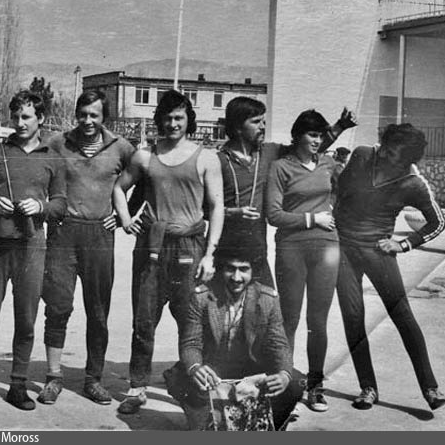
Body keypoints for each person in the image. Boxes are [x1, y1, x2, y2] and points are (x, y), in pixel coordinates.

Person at [112, 89, 224, 414]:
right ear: (159, 120)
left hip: (190, 246)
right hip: (152, 245)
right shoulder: (144, 156)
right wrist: (125, 220)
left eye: (179, 118)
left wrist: (210, 254)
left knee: (192, 322)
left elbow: (217, 207)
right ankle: (137, 387)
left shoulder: (206, 158)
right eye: (167, 118)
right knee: (144, 320)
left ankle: (191, 385)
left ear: (189, 120)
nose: (173, 124)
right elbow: (119, 188)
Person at [0, 90, 66, 412]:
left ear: (41, 119)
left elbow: (61, 204)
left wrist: (41, 206)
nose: (20, 123)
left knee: (26, 320)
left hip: (32, 247)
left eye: (27, 117)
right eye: (16, 117)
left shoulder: (52, 157)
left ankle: (18, 386)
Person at [334, 123, 445, 411]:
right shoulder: (362, 155)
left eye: (393, 155)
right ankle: (368, 388)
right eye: (385, 147)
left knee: (402, 316)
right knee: (353, 316)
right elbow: (338, 191)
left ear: (407, 160)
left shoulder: (414, 183)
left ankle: (430, 388)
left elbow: (438, 223)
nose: (383, 155)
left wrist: (403, 244)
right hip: (344, 249)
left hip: (378, 253)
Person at [37, 90, 135, 406]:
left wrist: (123, 215)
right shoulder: (57, 143)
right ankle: (53, 377)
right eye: (82, 114)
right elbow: (36, 175)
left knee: (98, 311)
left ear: (105, 117)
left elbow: (147, 179)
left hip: (100, 236)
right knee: (58, 306)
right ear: (75, 114)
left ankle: (93, 379)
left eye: (94, 115)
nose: (88, 121)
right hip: (63, 234)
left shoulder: (121, 147)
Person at [217, 97, 356, 287]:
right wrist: (232, 212)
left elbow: (305, 147)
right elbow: (201, 208)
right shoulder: (218, 160)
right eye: (256, 122)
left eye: (263, 121)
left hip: (257, 244)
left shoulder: (268, 152)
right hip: (225, 244)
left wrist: (340, 126)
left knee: (265, 300)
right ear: (238, 126)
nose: (263, 126)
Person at [163, 244, 301, 430]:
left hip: (252, 369)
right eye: (230, 269)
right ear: (221, 269)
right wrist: (196, 367)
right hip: (214, 372)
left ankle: (269, 424)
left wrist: (284, 374)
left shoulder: (268, 299)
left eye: (243, 269)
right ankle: (205, 419)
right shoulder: (202, 297)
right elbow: (190, 343)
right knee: (179, 378)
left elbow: (280, 345)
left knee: (294, 382)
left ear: (253, 272)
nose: (236, 277)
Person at [265, 110, 341, 413]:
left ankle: (315, 387)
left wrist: (333, 212)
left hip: (327, 247)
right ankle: (286, 389)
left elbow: (344, 192)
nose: (317, 140)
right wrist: (313, 218)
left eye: (321, 135)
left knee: (318, 321)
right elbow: (274, 215)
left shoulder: (328, 164)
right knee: (289, 319)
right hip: (291, 247)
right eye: (312, 134)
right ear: (297, 136)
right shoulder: (280, 167)